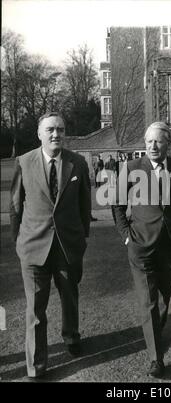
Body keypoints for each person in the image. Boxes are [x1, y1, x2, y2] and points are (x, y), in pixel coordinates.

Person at [10, 112, 91, 380]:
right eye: (50, 130)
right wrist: (20, 242)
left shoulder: (77, 163)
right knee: (35, 310)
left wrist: (81, 241)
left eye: (60, 129)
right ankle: (36, 366)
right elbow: (14, 207)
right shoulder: (24, 162)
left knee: (70, 297)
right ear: (39, 133)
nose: (56, 134)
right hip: (33, 248)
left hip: (68, 247)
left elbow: (84, 206)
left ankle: (71, 336)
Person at [112, 122, 171, 378]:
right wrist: (126, 236)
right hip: (140, 244)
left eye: (158, 141)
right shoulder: (132, 168)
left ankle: (154, 332)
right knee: (148, 301)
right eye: (148, 142)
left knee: (164, 299)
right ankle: (156, 358)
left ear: (168, 142)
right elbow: (117, 204)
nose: (153, 146)